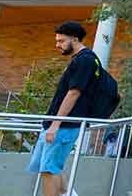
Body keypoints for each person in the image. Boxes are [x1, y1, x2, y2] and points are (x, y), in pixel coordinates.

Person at [27, 21, 101, 196]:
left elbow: (74, 93)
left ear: (74, 39)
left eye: (61, 41)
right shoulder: (82, 59)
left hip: (64, 125)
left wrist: (55, 124)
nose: (57, 45)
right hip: (59, 124)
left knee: (49, 170)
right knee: (49, 167)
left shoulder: (86, 60)